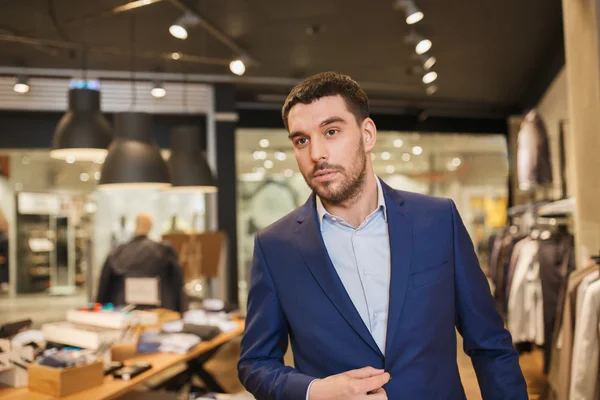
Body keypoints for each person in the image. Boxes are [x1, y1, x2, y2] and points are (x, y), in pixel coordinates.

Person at [238, 72, 527, 399]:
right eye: (301, 140)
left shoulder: (436, 220)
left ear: (367, 134)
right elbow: (256, 362)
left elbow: (490, 344)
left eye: (331, 131)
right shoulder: (276, 246)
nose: (316, 153)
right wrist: (316, 391)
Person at [96, 212, 185, 313]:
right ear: (151, 226)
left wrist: (100, 310)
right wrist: (181, 312)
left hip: (123, 311)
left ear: (135, 225)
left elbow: (104, 286)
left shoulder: (117, 252)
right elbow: (177, 284)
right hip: (159, 313)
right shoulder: (164, 251)